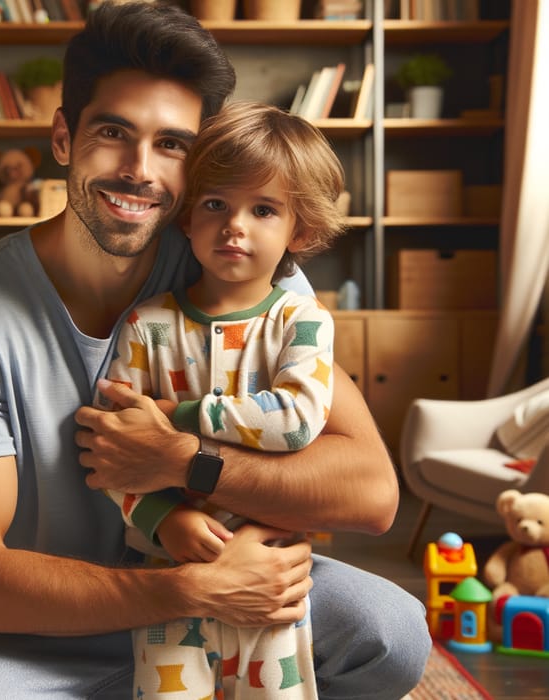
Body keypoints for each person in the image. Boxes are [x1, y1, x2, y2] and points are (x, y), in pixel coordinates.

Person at [0, 3, 431, 699]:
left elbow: (371, 492)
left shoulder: (230, 261)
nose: (138, 171)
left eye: (173, 145)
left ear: (197, 161)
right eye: (113, 133)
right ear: (63, 136)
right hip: (48, 634)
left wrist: (190, 463)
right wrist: (189, 590)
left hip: (232, 580)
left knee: (389, 631)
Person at [99, 100, 347, 698]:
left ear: (301, 230)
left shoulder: (302, 322)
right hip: (170, 572)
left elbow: (295, 420)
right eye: (216, 205)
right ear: (186, 218)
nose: (235, 224)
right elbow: (115, 452)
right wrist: (164, 519)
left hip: (272, 573)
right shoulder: (147, 324)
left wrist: (176, 417)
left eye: (264, 209)